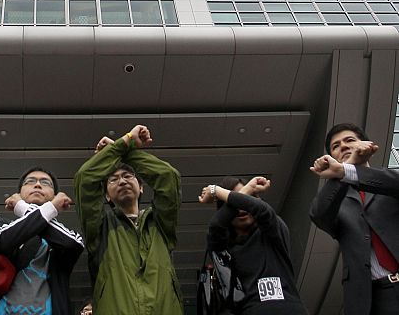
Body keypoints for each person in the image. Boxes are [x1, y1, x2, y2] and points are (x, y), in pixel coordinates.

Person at [74, 123, 184, 315]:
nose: (122, 181)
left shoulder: (160, 223)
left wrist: (123, 151)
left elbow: (168, 176)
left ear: (141, 187)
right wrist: (125, 142)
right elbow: (85, 178)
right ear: (107, 195)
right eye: (113, 179)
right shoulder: (100, 227)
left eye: (127, 175)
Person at [309, 121, 399, 315]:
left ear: (366, 144)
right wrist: (345, 168)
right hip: (374, 299)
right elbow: (318, 214)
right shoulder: (335, 201)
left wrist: (346, 171)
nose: (343, 146)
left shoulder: (389, 181)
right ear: (332, 157)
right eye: (336, 146)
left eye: (350, 140)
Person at [0, 166, 84, 315]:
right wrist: (52, 207)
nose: (37, 184)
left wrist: (22, 207)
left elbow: (73, 245)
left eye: (45, 183)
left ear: (54, 195)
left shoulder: (67, 234)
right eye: (30, 181)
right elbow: (0, 242)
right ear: (19, 193)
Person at [199, 175, 307, 314]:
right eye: (234, 204)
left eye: (247, 199)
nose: (241, 209)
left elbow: (262, 210)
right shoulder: (223, 247)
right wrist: (248, 189)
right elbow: (216, 225)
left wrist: (216, 191)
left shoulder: (273, 230)